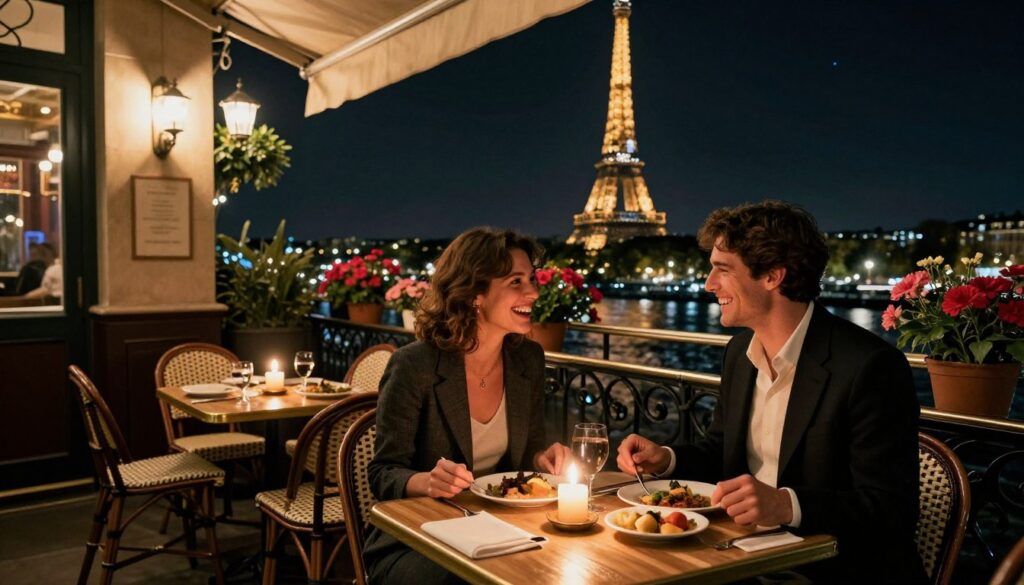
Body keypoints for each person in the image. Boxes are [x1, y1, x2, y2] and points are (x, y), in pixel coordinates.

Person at [616, 201, 925, 584]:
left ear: (773, 276)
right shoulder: (739, 354)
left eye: (723, 270)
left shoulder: (870, 366)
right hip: (742, 558)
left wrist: (786, 505)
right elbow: (722, 452)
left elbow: (891, 510)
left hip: (831, 570)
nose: (709, 284)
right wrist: (666, 459)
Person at [364, 227, 572, 585]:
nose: (534, 292)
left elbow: (530, 450)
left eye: (532, 279)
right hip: (418, 540)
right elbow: (383, 472)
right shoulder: (415, 365)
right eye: (516, 282)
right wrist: (426, 481)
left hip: (502, 532)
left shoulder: (528, 359)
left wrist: (542, 459)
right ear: (476, 294)